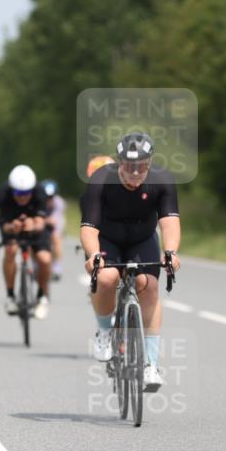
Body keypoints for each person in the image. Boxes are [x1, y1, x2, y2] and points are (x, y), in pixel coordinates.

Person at [79, 132, 181, 392]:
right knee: (107, 278)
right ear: (119, 162)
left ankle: (151, 364)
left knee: (149, 287)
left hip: (142, 239)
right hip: (108, 239)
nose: (135, 173)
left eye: (142, 166)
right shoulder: (101, 179)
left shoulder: (162, 180)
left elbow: (169, 222)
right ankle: (104, 331)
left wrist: (170, 252)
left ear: (150, 163)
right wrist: (94, 255)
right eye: (129, 166)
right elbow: (89, 227)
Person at [0, 165, 51, 319]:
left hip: (35, 227)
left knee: (44, 259)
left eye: (26, 193)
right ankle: (10, 296)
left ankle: (42, 296)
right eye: (18, 193)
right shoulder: (3, 193)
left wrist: (33, 224)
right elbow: (3, 223)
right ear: (11, 190)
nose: (22, 197)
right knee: (11, 251)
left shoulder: (40, 191)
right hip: (11, 226)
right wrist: (12, 226)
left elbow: (41, 222)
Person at [40, 180, 66, 281]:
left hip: (54, 224)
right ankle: (35, 266)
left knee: (56, 238)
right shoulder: (38, 201)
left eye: (51, 197)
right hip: (41, 223)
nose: (49, 199)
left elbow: (54, 222)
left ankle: (57, 268)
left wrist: (44, 220)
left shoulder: (59, 202)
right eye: (46, 197)